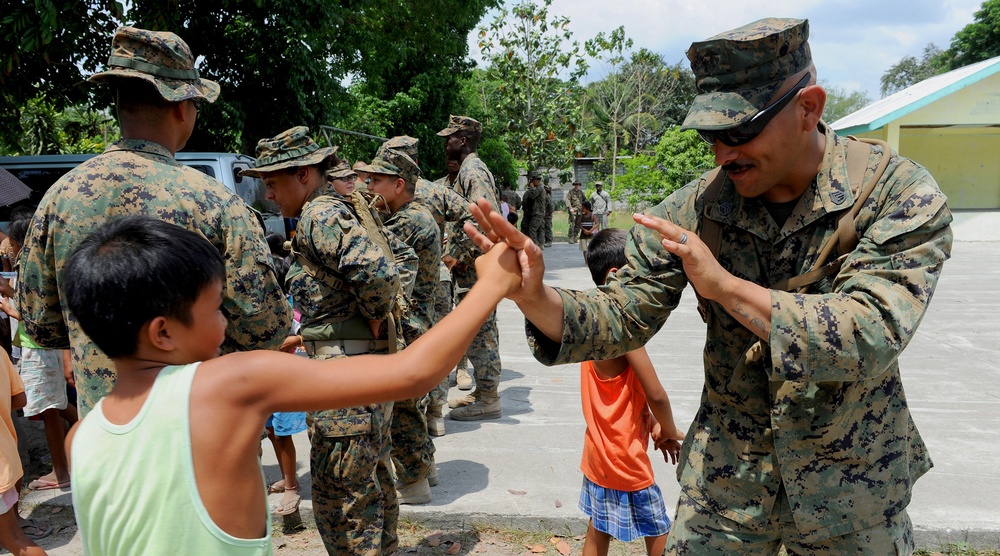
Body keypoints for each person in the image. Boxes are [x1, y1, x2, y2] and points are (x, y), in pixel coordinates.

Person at [463, 17, 952, 554]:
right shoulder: (698, 208)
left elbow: (870, 332)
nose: (723, 154)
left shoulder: (895, 193)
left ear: (808, 107)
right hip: (727, 487)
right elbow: (621, 315)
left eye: (741, 132)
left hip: (853, 490)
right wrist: (536, 297)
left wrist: (724, 286)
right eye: (712, 137)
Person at [63, 215, 520, 556]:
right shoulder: (233, 382)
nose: (226, 319)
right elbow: (413, 373)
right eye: (217, 307)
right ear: (163, 333)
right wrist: (492, 284)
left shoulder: (80, 437)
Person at [16, 26, 291, 416]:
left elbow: (40, 326)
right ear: (181, 106)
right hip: (200, 431)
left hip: (107, 436)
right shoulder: (214, 202)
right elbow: (266, 327)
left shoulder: (58, 199)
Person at [242, 126, 416, 555]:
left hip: (345, 385)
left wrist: (375, 315)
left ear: (303, 174)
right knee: (371, 492)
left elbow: (378, 274)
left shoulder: (320, 216)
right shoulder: (334, 211)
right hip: (356, 376)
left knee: (343, 507)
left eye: (272, 182)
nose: (268, 195)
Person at [579, 228, 685, 556]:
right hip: (626, 458)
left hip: (598, 452)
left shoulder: (592, 316)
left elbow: (620, 392)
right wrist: (668, 429)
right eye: (638, 268)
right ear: (616, 274)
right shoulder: (623, 325)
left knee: (598, 529)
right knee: (659, 531)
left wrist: (650, 421)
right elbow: (657, 394)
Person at [377, 136, 476, 436]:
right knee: (438, 347)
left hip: (411, 288)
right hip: (438, 280)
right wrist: (456, 254)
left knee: (420, 346)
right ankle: (435, 414)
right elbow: (473, 213)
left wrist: (457, 254)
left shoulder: (387, 194)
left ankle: (425, 420)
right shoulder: (436, 190)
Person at [359, 148, 441, 505]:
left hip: (409, 323)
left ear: (399, 184)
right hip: (414, 320)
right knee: (410, 405)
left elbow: (380, 263)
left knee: (403, 407)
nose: (368, 185)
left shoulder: (409, 220)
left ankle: (413, 482)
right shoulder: (406, 213)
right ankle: (423, 469)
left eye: (376, 180)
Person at [0, 218, 77, 494]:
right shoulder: (37, 259)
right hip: (41, 345)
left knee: (47, 407)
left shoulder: (31, 263)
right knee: (53, 403)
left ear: (17, 240)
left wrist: (11, 311)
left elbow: (37, 315)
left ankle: (61, 472)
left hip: (39, 345)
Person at [438, 115, 504, 421]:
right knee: (480, 329)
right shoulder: (465, 171)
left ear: (462, 141)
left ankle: (489, 398)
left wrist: (454, 254)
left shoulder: (472, 170)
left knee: (480, 331)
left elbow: (485, 216)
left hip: (474, 266)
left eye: (449, 138)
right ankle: (484, 390)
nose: (445, 143)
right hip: (472, 266)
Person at [0, 349, 47, 556]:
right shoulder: (0, 353)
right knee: (14, 537)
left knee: (15, 540)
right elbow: (19, 399)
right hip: (4, 460)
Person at [520, 174, 546, 248]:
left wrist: (532, 188)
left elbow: (532, 196)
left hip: (538, 212)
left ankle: (535, 244)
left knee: (532, 228)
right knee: (540, 228)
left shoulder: (539, 188)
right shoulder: (538, 188)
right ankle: (540, 244)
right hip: (538, 212)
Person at [543, 181, 555, 247]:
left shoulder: (548, 197)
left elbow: (551, 207)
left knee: (547, 227)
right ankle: (545, 240)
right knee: (544, 227)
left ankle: (549, 241)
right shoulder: (545, 197)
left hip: (547, 215)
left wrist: (548, 213)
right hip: (544, 214)